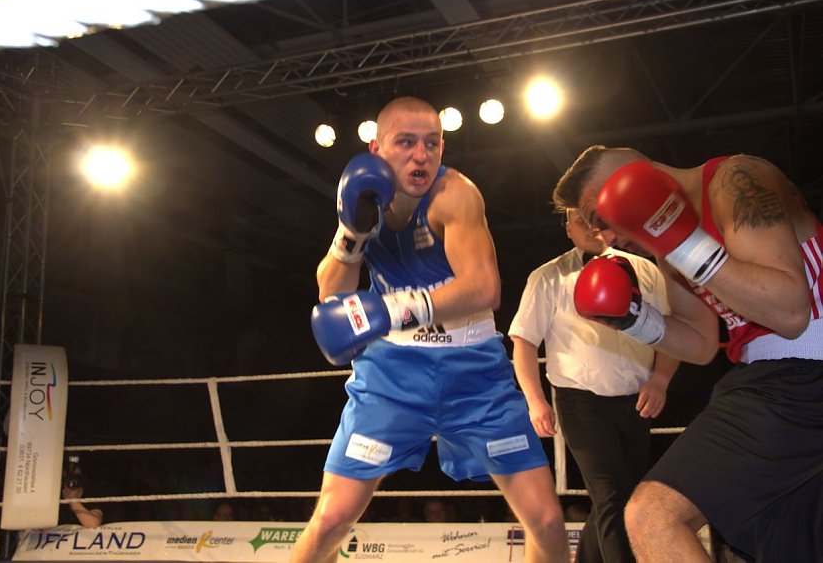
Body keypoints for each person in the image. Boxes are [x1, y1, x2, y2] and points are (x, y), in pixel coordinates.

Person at [293, 96, 569, 563]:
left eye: (433, 144)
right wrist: (352, 234)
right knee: (331, 519)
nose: (422, 155)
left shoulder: (455, 194)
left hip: (475, 375)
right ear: (377, 147)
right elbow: (329, 295)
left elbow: (484, 288)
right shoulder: (364, 198)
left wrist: (395, 308)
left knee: (546, 520)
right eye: (407, 143)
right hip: (391, 379)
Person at [552, 145, 823, 562]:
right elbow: (699, 344)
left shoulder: (735, 181)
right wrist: (633, 319)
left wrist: (683, 245)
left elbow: (790, 311)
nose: (605, 238)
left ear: (632, 180)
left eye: (600, 218)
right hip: (771, 375)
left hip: (803, 366)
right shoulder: (669, 248)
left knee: (652, 516)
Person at [509, 207, 680, 563]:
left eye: (594, 216)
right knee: (613, 497)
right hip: (579, 402)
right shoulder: (549, 277)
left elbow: (672, 331)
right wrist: (536, 401)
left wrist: (661, 380)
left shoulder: (644, 271)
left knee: (625, 497)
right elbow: (524, 343)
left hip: (637, 400)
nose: (589, 226)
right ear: (568, 227)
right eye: (579, 218)